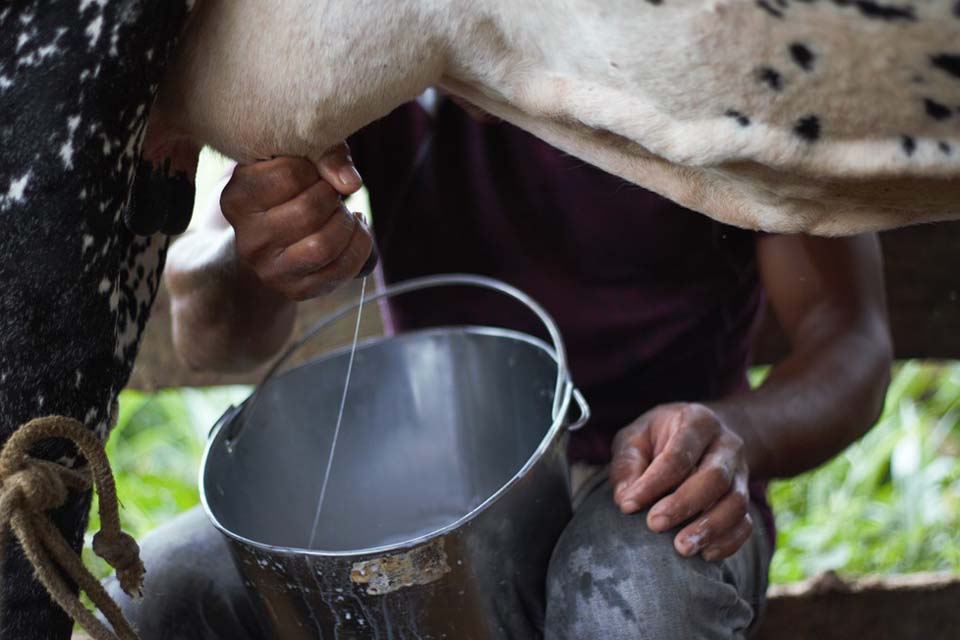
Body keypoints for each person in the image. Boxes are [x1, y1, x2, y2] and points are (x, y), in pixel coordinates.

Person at [106, 93, 892, 639]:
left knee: (635, 589)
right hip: (441, 472)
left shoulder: (725, 59)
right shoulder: (364, 57)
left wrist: (730, 434)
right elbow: (209, 330)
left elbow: (849, 339)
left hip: (656, 477)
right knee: (161, 593)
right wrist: (259, 250)